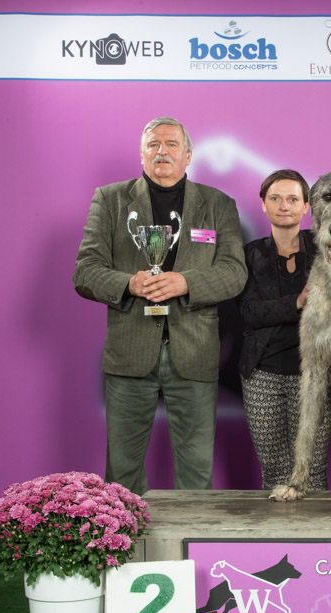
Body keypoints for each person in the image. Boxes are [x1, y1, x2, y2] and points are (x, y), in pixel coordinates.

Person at [73, 116, 247, 494]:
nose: (162, 151)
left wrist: (186, 282)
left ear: (188, 155)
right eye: (153, 144)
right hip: (130, 352)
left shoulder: (218, 204)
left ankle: (191, 533)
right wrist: (129, 283)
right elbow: (85, 271)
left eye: (171, 144)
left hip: (195, 353)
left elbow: (235, 272)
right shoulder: (110, 200)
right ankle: (126, 533)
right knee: (122, 472)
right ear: (142, 155)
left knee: (196, 472)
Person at [237, 170, 331, 490]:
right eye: (276, 198)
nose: (284, 205)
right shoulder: (248, 254)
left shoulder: (327, 249)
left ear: (306, 206)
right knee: (274, 471)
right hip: (262, 375)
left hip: (317, 373)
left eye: (293, 199)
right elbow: (249, 313)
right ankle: (277, 525)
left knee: (312, 470)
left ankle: (316, 526)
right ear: (263, 204)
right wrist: (297, 302)